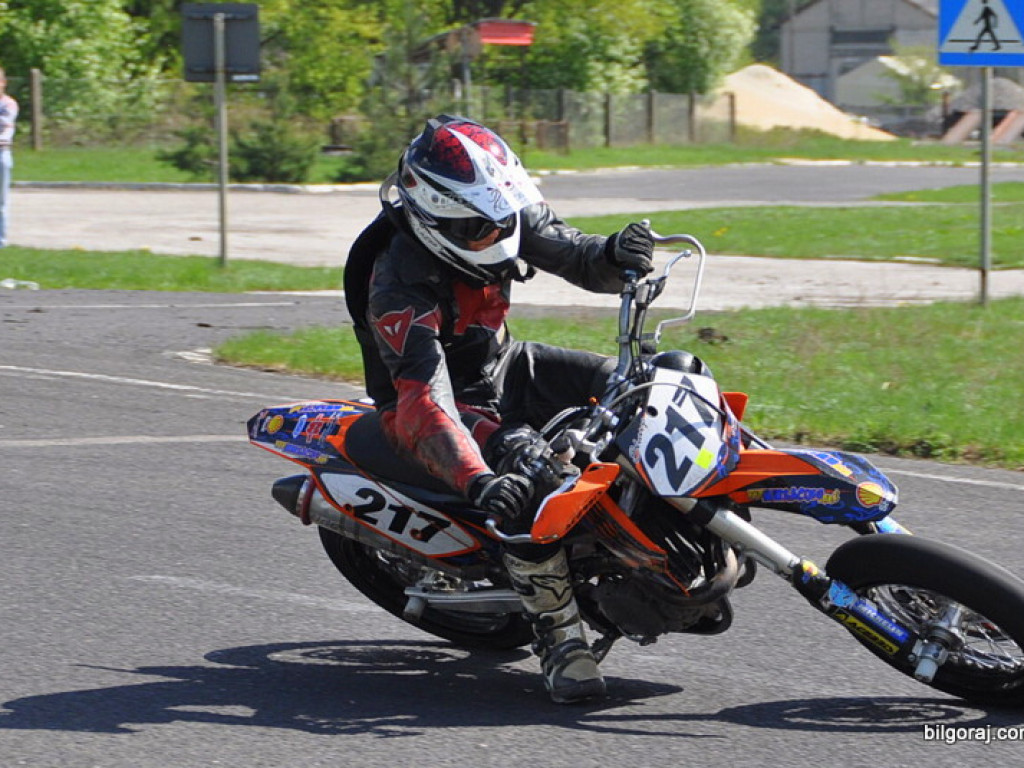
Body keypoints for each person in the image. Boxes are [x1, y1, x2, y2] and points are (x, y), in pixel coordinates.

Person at [345, 114, 654, 703]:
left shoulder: (495, 213)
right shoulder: (396, 283)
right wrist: (480, 477)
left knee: (648, 383)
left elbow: (574, 252)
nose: (500, 237)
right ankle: (561, 640)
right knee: (534, 478)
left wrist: (616, 253)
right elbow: (423, 401)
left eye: (503, 221)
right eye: (480, 229)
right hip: (441, 404)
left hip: (507, 364)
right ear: (436, 219)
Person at [0, 67, 17, 248]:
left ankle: (1, 241)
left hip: (1, 153)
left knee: (1, 201)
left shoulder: (8, 104)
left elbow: (5, 125)